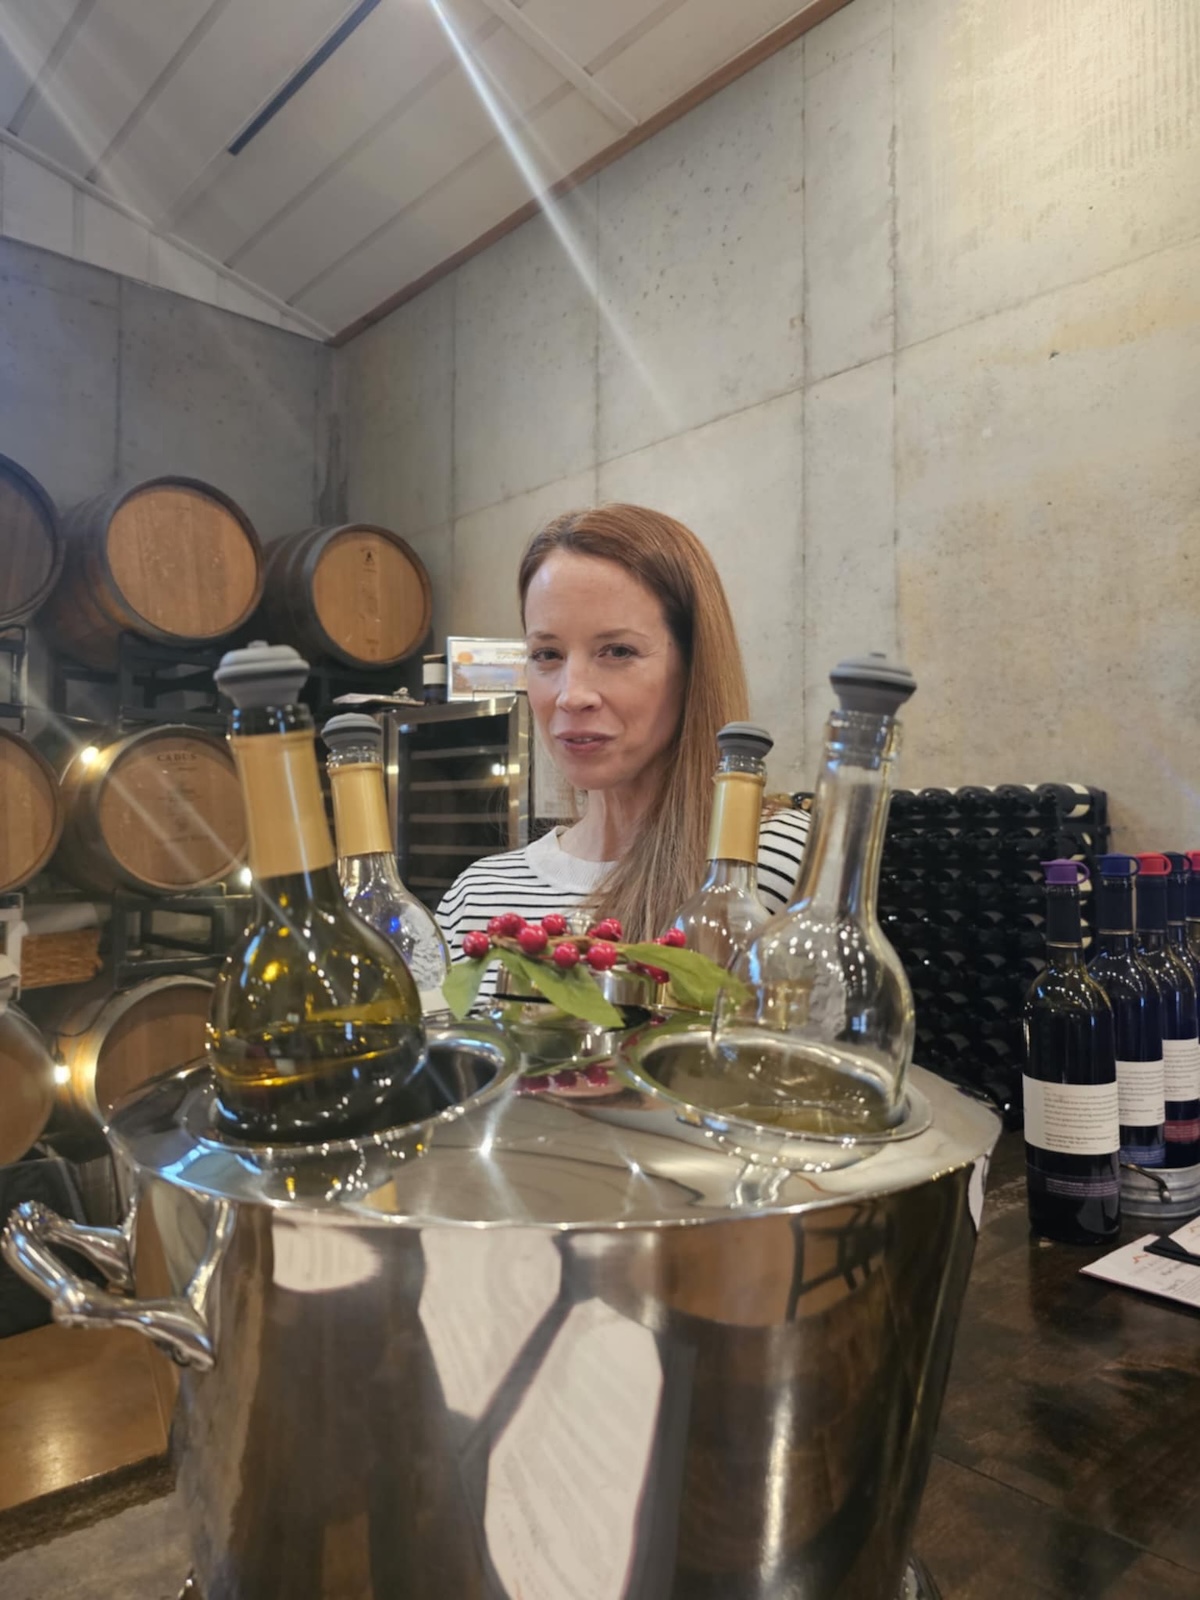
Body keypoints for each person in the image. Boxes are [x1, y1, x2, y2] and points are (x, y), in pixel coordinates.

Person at [437, 505, 808, 975]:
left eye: (617, 651)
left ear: (693, 666)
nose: (572, 695)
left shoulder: (766, 869)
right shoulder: (477, 899)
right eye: (547, 654)